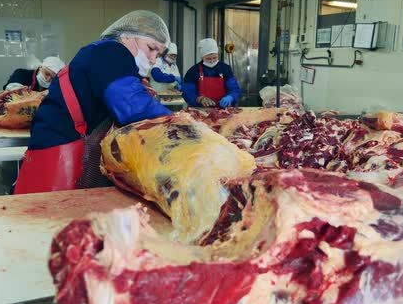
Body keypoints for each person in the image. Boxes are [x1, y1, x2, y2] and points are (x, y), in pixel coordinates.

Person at [13, 10, 173, 195]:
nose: (153, 59)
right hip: (59, 151)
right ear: (127, 37)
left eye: (158, 54)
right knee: (48, 216)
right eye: (151, 48)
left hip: (57, 143)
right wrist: (180, 122)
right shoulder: (112, 51)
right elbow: (132, 105)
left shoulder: (100, 52)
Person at [182, 38, 241, 108]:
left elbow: (234, 88)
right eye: (208, 59)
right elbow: (188, 93)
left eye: (214, 58)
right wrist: (199, 99)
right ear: (202, 57)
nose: (212, 61)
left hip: (222, 110)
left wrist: (230, 97)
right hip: (200, 111)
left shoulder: (225, 69)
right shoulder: (193, 71)